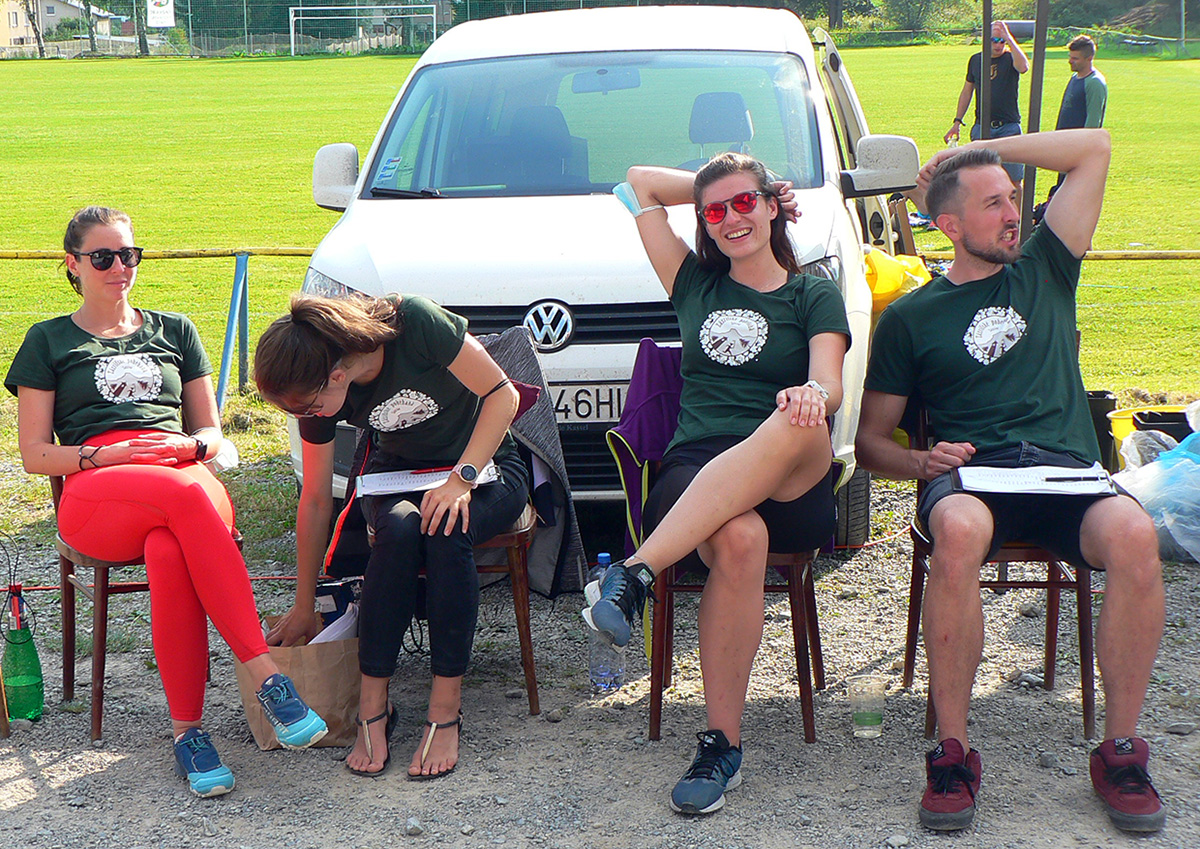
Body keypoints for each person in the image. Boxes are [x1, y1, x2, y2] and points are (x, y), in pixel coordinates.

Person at [856, 130, 1166, 834]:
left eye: (1014, 197)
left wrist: (982, 149)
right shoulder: (910, 317)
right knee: (957, 530)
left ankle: (1121, 751)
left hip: (1067, 472)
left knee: (1135, 534)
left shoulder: (1046, 266)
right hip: (976, 478)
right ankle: (952, 753)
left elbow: (1095, 148)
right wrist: (921, 463)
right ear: (949, 225)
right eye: (993, 203)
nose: (1012, 213)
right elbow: (870, 441)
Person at [4, 206, 328, 798]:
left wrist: (190, 445)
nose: (119, 267)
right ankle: (266, 675)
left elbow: (212, 434)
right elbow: (35, 454)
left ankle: (188, 734)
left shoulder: (175, 329)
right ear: (73, 264)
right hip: (99, 484)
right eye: (103, 257)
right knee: (179, 499)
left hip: (180, 468)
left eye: (129, 254)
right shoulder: (48, 340)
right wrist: (106, 455)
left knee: (169, 547)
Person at [582, 154, 850, 815]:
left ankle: (636, 573)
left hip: (792, 467)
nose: (731, 218)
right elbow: (640, 183)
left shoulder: (811, 293)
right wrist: (731, 188)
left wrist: (811, 395)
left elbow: (830, 382)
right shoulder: (694, 283)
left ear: (773, 208)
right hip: (698, 468)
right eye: (714, 211)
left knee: (795, 410)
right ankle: (721, 745)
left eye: (745, 203)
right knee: (737, 536)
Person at [253, 294, 529, 779]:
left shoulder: (415, 323)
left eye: (311, 406)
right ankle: (373, 707)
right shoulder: (316, 391)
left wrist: (461, 480)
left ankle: (445, 708)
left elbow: (503, 395)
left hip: (483, 466)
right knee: (399, 529)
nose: (310, 417)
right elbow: (315, 498)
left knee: (447, 529)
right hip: (399, 474)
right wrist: (303, 604)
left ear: (337, 375)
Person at [943, 20, 1029, 184]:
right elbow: (967, 91)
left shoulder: (1010, 58)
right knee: (980, 180)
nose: (998, 45)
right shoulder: (976, 60)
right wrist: (957, 122)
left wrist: (1009, 38)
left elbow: (1024, 67)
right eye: (994, 40)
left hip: (1008, 127)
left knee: (1014, 181)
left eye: (1002, 41)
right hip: (982, 127)